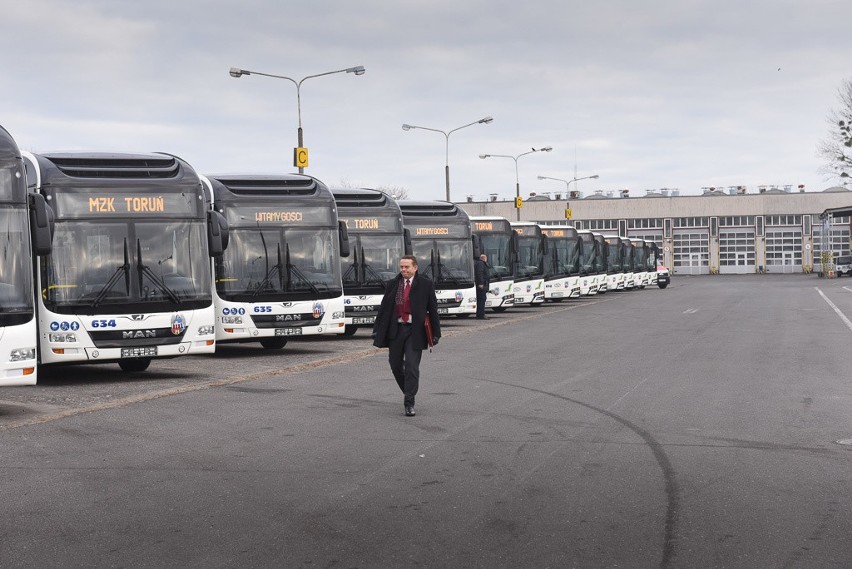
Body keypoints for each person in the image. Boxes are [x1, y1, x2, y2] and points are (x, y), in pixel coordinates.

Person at [372, 255, 441, 417]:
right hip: (395, 330)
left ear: (415, 268)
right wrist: (377, 329)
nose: (403, 270)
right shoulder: (393, 284)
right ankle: (409, 390)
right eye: (401, 267)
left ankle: (409, 402)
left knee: (411, 366)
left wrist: (436, 333)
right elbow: (383, 309)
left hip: (415, 331)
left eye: (407, 267)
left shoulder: (425, 285)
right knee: (395, 365)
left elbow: (433, 310)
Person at [474, 253, 490, 319]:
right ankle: (481, 314)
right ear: (484, 258)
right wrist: (481, 283)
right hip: (481, 285)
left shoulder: (480, 263)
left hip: (483, 284)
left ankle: (480, 314)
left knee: (482, 299)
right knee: (482, 299)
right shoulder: (481, 264)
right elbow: (479, 273)